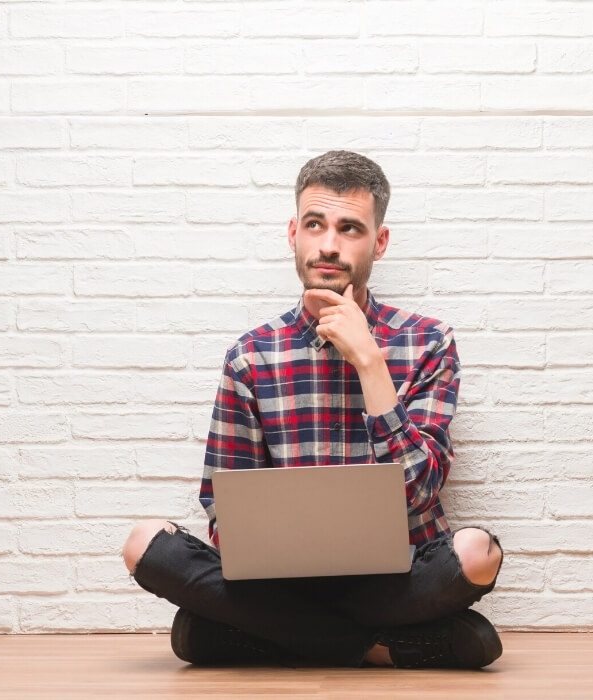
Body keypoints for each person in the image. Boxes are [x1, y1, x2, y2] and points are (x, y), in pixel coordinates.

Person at [120, 150, 503, 670]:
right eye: (314, 224)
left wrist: (369, 360)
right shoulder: (251, 355)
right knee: (145, 545)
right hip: (281, 583)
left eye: (350, 228)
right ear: (293, 233)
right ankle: (373, 646)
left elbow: (421, 491)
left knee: (478, 554)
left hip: (396, 577)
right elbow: (221, 504)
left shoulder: (428, 343)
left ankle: (264, 636)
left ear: (379, 242)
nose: (328, 244)